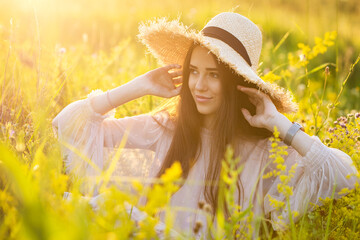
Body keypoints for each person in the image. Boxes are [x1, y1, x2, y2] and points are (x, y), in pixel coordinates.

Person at [52, 12, 359, 239]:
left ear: (236, 83)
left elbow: (344, 175)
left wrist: (279, 123)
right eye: (194, 71)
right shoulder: (166, 128)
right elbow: (68, 127)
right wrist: (137, 86)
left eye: (213, 74)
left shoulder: (265, 150)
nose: (199, 85)